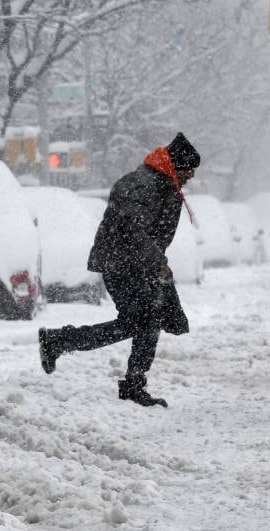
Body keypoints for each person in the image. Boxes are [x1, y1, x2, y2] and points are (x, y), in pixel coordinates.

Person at [38, 132, 201, 408]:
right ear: (176, 165)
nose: (191, 177)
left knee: (143, 321)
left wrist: (156, 263)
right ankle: (130, 382)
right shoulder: (145, 184)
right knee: (147, 319)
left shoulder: (159, 182)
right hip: (122, 265)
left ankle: (60, 342)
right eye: (189, 170)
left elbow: (147, 235)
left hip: (134, 264)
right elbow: (134, 230)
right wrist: (156, 263)